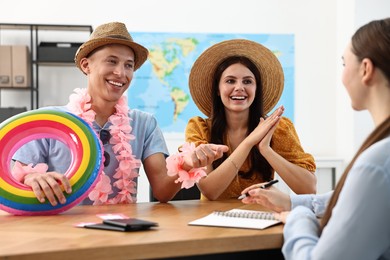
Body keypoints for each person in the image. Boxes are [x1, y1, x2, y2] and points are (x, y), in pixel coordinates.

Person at [12, 22, 227, 206]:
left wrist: (187, 163)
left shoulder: (144, 123)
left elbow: (162, 191)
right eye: (112, 61)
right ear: (86, 65)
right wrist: (31, 176)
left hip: (122, 235)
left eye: (128, 65)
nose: (121, 73)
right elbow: (15, 174)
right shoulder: (50, 121)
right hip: (61, 234)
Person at [241, 18, 390, 259]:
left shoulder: (376, 165)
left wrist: (298, 218)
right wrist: (294, 203)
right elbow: (351, 199)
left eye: (344, 63)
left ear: (366, 69)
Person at [185, 39, 317, 201]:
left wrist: (266, 150)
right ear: (218, 90)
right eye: (230, 81)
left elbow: (308, 189)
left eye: (248, 81)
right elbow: (210, 191)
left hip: (261, 218)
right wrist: (249, 142)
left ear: (256, 89)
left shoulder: (278, 127)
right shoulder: (199, 128)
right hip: (211, 220)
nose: (239, 87)